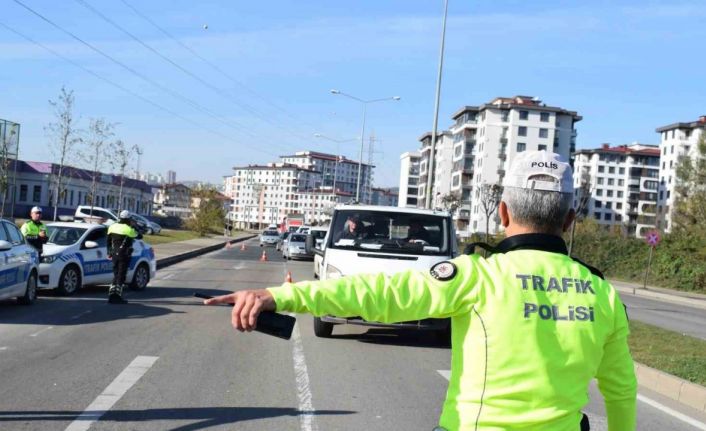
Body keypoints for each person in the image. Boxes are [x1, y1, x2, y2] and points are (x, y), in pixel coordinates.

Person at [205, 151, 637, 431]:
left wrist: (282, 296)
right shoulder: (603, 294)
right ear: (569, 220)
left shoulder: (478, 277)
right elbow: (620, 391)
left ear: (502, 212)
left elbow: (379, 293)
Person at [107, 210, 141, 304]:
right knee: (121, 275)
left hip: (114, 254)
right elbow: (139, 236)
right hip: (124, 254)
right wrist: (135, 226)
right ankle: (117, 297)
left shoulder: (112, 227)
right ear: (127, 219)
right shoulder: (128, 229)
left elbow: (108, 241)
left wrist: (109, 252)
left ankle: (111, 296)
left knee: (115, 274)